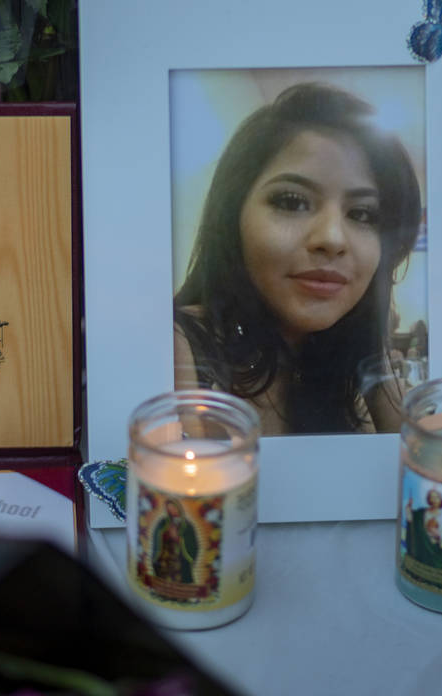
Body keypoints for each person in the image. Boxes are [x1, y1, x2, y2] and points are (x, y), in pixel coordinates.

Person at [173, 82, 423, 437]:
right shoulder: (177, 344)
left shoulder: (333, 368)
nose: (332, 239)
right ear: (231, 217)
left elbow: (418, 462)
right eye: (292, 202)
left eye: (363, 214)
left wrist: (372, 345)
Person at [404, 489, 442, 570]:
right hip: (422, 552)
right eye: (432, 497)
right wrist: (408, 509)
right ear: (429, 500)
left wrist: (439, 536)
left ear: (441, 499)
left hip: (437, 555)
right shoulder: (421, 513)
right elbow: (411, 523)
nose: (434, 500)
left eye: (437, 497)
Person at [151, 498, 200, 585]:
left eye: (173, 508)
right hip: (165, 556)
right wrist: (165, 533)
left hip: (180, 558)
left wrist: (178, 538)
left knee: (180, 579)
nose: (172, 511)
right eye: (169, 509)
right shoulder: (163, 522)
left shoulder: (187, 525)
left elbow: (192, 543)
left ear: (178, 508)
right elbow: (156, 536)